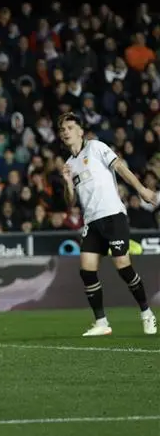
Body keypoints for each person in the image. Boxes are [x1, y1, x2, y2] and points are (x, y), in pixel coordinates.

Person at [57, 112, 157, 336]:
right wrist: (66, 183)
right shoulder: (69, 164)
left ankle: (146, 313)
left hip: (112, 215)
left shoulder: (95, 147)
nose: (66, 132)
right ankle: (101, 323)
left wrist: (140, 189)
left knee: (123, 266)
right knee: (87, 271)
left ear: (81, 131)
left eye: (70, 127)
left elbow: (119, 167)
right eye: (63, 129)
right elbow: (70, 201)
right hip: (92, 221)